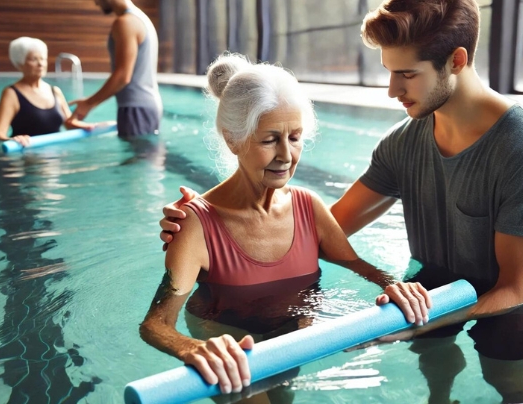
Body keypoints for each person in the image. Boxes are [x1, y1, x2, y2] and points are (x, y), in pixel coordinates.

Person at [160, 0, 523, 401]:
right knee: (436, 365)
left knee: (511, 381)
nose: (392, 90)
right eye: (390, 72)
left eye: (407, 74)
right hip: (427, 289)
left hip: (507, 304)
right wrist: (213, 226)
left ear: (456, 61)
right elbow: (320, 231)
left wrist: (408, 325)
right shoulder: (404, 142)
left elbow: (521, 288)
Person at [140, 54, 431, 398]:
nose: (286, 155)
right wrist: (192, 348)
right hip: (229, 347)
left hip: (292, 337)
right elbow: (156, 324)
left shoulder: (308, 206)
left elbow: (358, 265)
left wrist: (395, 285)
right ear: (233, 139)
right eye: (269, 140)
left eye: (295, 137)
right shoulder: (195, 225)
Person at [71, 0, 163, 138]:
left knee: (138, 161)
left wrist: (88, 104)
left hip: (136, 108)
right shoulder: (140, 18)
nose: (95, 2)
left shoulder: (125, 23)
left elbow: (123, 76)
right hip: (146, 105)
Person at [0, 37, 102, 147]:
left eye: (43, 59)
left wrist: (94, 126)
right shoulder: (11, 93)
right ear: (20, 63)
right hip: (28, 157)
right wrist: (13, 139)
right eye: (33, 59)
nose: (40, 64)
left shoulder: (55, 91)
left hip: (57, 156)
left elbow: (70, 124)